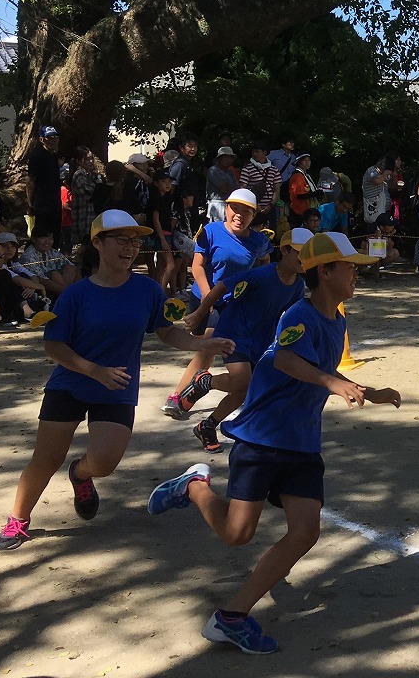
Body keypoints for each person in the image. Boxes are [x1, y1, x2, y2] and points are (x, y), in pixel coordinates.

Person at [147, 232, 399, 654]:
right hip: (262, 439)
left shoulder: (337, 320)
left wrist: (366, 390)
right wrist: (333, 382)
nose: (356, 273)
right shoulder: (298, 315)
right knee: (237, 535)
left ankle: (231, 617)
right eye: (349, 267)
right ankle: (192, 486)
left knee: (305, 532)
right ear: (324, 271)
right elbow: (286, 360)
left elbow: (321, 368)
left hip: (301, 443)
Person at [0, 210, 234, 551]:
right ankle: (18, 519)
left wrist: (202, 343)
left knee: (104, 463)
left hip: (117, 387)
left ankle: (81, 475)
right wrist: (93, 370)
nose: (130, 247)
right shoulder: (76, 295)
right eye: (121, 240)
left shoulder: (148, 291)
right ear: (97, 243)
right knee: (46, 458)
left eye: (135, 240)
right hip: (71, 382)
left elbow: (166, 332)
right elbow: (53, 346)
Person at [180, 228, 312, 453]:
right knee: (242, 382)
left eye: (309, 254)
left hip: (260, 340)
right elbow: (223, 286)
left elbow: (291, 317)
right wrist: (200, 313)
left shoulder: (298, 286)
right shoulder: (263, 274)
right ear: (285, 250)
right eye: (301, 252)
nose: (305, 259)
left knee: (245, 389)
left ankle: (207, 425)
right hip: (234, 332)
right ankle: (204, 381)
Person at [163, 189, 271, 419]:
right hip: (201, 297)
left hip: (231, 304)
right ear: (226, 209)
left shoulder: (259, 241)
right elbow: (198, 267)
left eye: (246, 212)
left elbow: (265, 263)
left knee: (210, 347)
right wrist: (207, 296)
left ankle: (179, 398)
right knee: (205, 347)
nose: (239, 215)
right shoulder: (210, 232)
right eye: (235, 209)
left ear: (253, 216)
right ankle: (189, 390)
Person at [27, 126, 63, 246]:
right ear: (42, 139)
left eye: (55, 137)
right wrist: (30, 203)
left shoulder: (55, 156)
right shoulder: (36, 157)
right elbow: (30, 181)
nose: (53, 140)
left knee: (55, 234)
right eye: (49, 137)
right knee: (41, 234)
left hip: (56, 202)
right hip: (42, 203)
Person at [21, 226, 80, 297]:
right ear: (33, 239)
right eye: (43, 238)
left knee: (71, 269)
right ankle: (69, 296)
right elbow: (41, 280)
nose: (47, 242)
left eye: (50, 239)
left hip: (61, 286)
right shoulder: (29, 256)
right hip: (40, 287)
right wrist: (67, 290)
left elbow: (73, 268)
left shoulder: (52, 252)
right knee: (55, 275)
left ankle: (72, 296)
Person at [240, 145, 280, 227]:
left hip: (270, 209)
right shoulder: (247, 169)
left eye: (257, 151)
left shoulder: (274, 169)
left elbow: (277, 190)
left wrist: (271, 205)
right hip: (253, 208)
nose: (254, 154)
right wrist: (255, 204)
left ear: (264, 152)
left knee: (270, 233)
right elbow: (243, 189)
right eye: (253, 152)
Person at [207, 147, 241, 223]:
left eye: (230, 158)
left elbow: (237, 189)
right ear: (219, 158)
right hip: (217, 204)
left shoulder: (230, 172)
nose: (228, 160)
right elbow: (224, 188)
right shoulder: (213, 170)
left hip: (229, 203)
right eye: (225, 157)